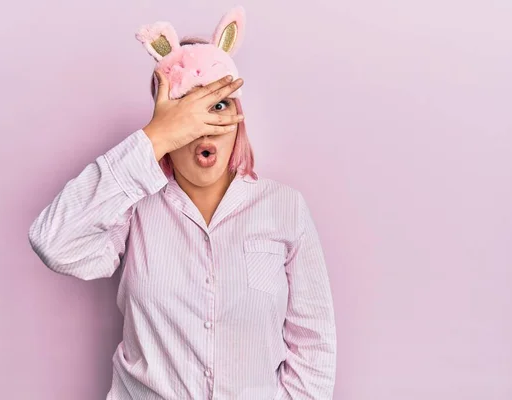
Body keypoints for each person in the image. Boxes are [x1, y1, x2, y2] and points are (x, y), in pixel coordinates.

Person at [28, 6, 337, 400]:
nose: (202, 125)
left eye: (218, 106)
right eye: (185, 110)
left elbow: (313, 347)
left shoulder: (285, 208)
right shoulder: (133, 208)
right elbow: (53, 242)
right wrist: (154, 138)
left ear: (238, 119)